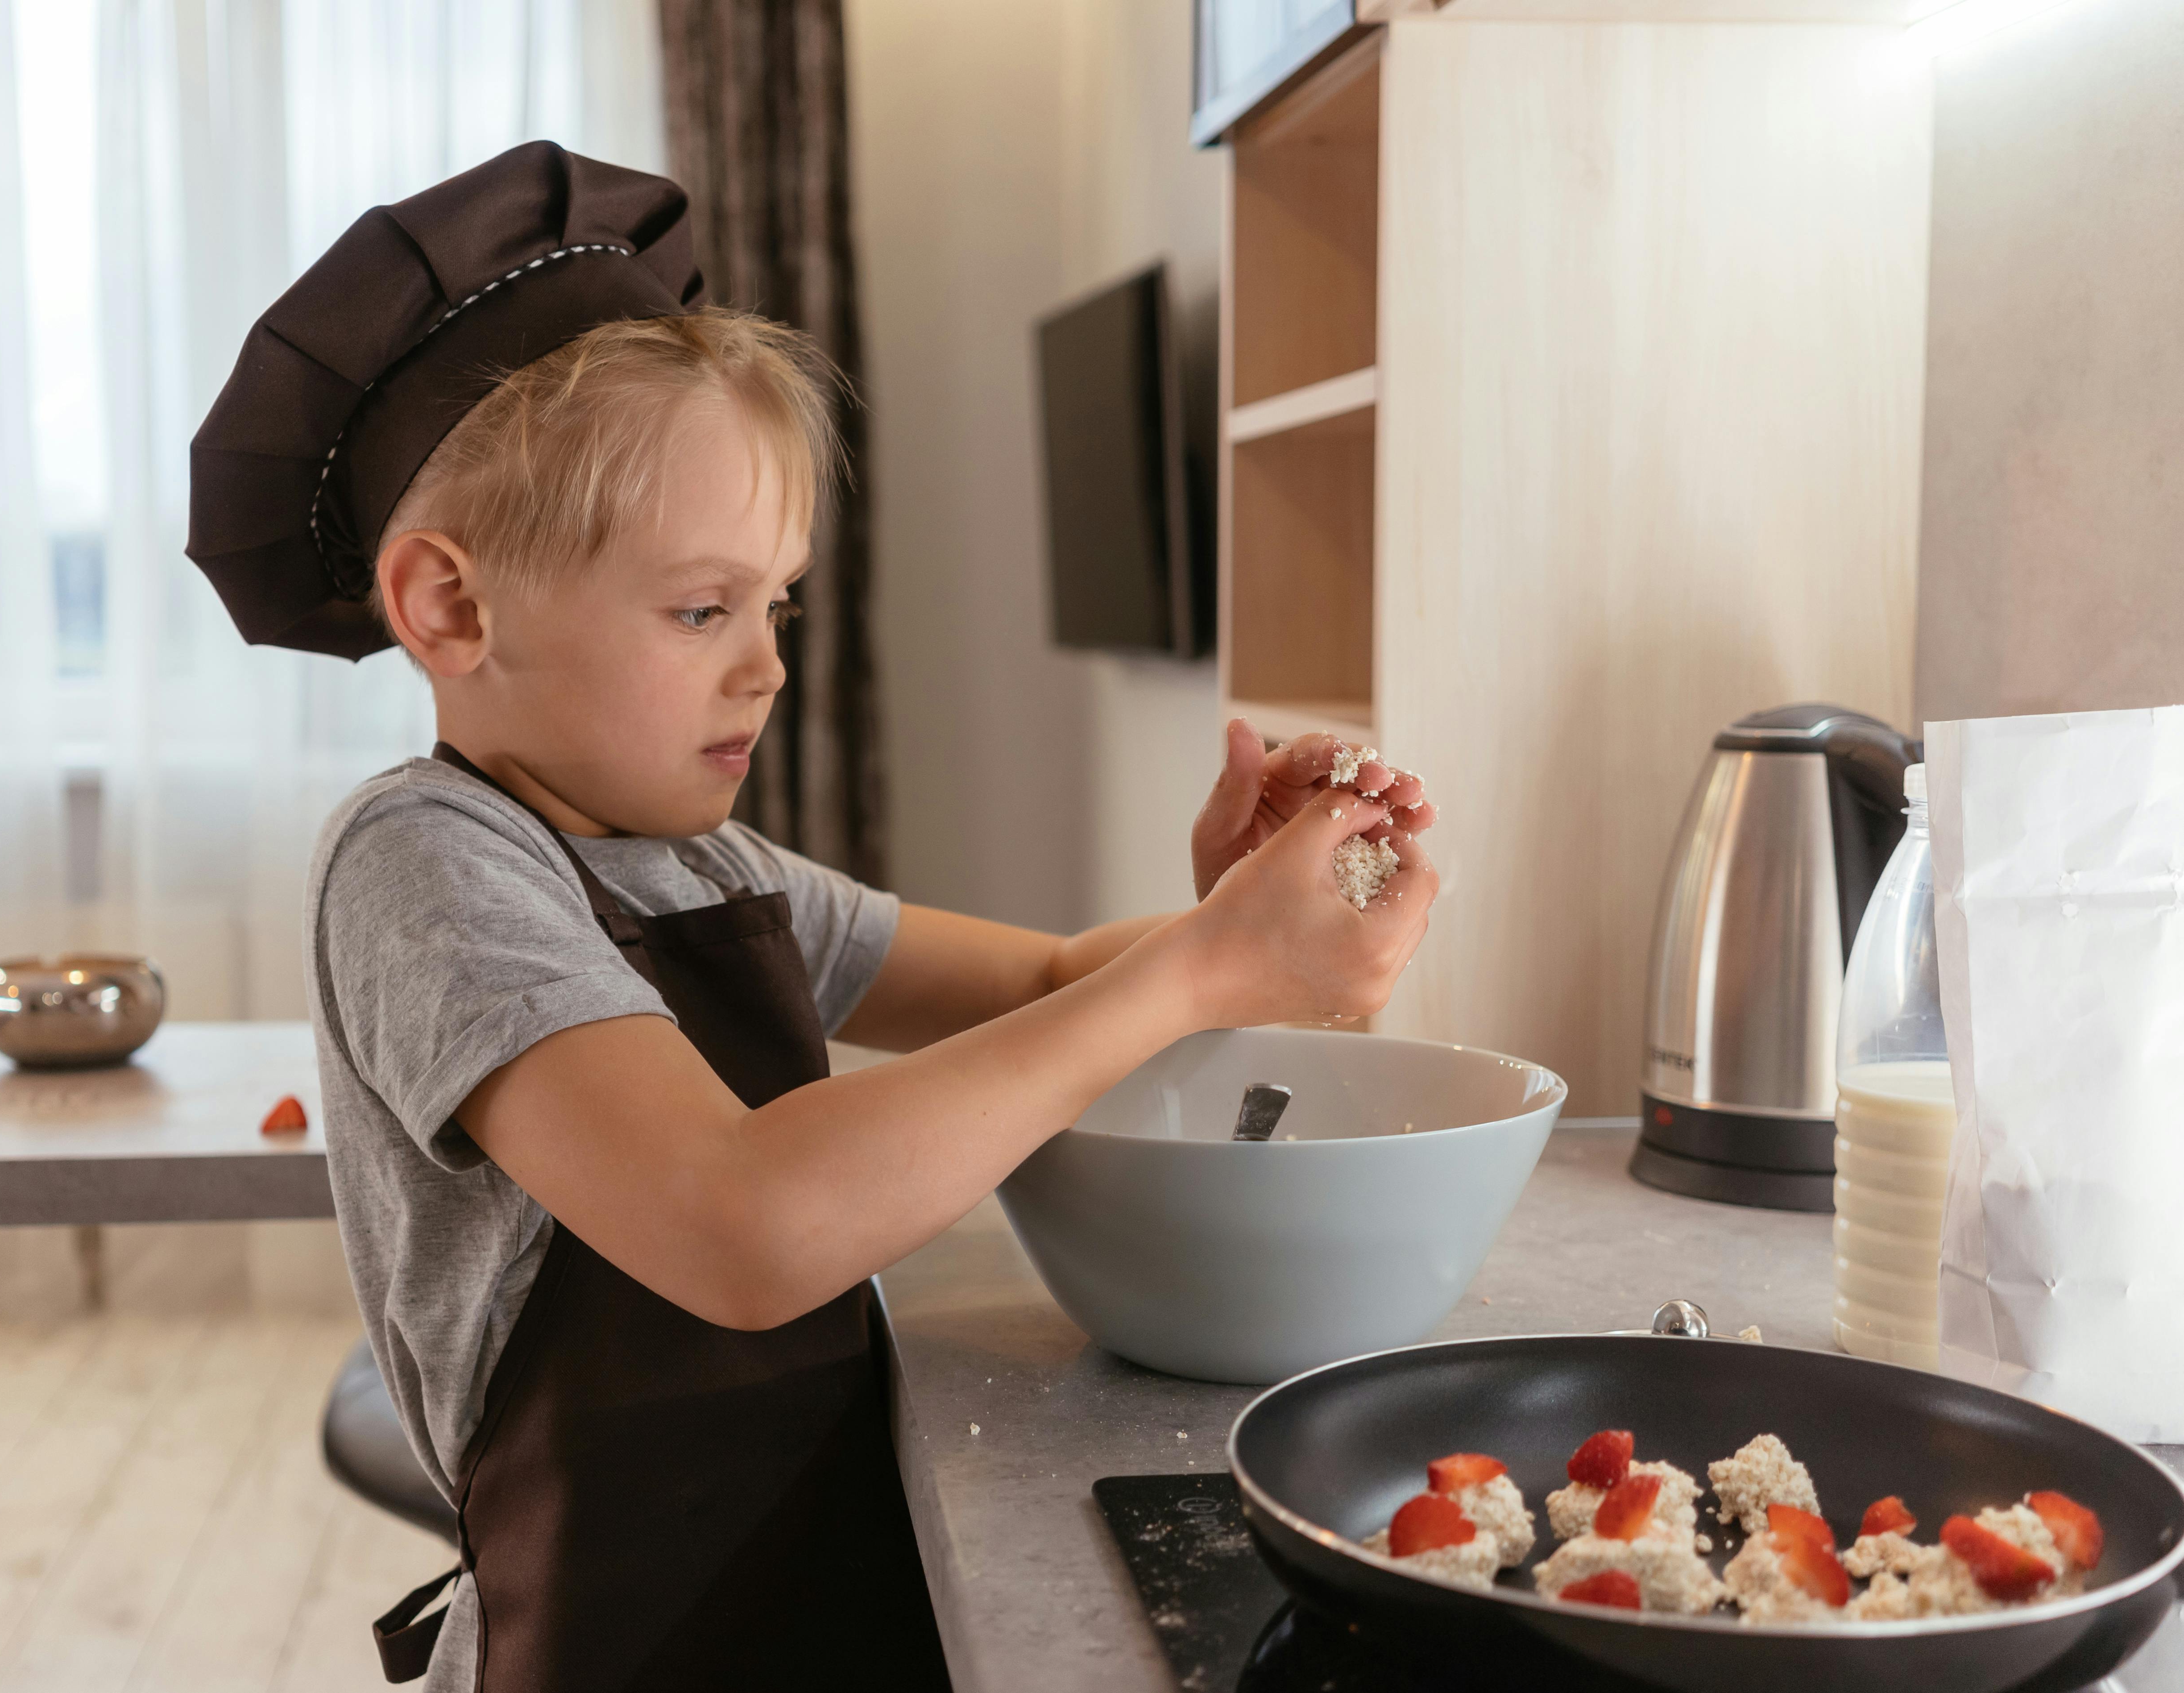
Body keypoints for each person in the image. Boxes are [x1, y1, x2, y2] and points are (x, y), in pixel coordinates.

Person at [187, 141, 1438, 1693]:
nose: (768, 665)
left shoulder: (709, 867)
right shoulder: (426, 858)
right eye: (700, 607)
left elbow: (1043, 986)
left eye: (777, 601)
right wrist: (1201, 970)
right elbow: (740, 1221)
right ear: (449, 607)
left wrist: (1244, 909)